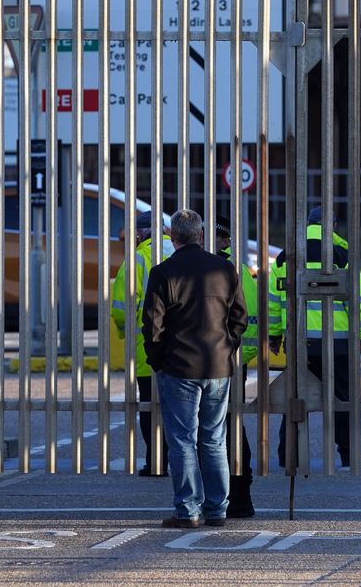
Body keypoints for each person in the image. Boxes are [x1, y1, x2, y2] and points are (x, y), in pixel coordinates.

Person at [142, 209, 248, 528]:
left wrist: (157, 359)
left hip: (178, 366)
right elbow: (239, 318)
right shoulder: (225, 269)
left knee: (183, 439)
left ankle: (188, 509)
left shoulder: (163, 272)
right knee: (214, 438)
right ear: (201, 235)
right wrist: (227, 346)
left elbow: (152, 324)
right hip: (217, 364)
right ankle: (217, 509)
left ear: (173, 238)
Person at [268, 206, 361, 468]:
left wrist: (274, 335)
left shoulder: (286, 257)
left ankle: (287, 453)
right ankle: (349, 454)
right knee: (342, 400)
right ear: (333, 226)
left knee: (296, 397)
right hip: (336, 342)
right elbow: (358, 301)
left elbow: (274, 301)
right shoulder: (341, 255)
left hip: (299, 340)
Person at [111, 210, 173, 476]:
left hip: (147, 345)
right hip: (185, 347)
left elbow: (121, 308)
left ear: (140, 233)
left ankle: (156, 462)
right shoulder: (180, 251)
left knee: (150, 405)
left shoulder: (136, 259)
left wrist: (126, 332)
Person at [213, 220, 257, 518]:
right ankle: (229, 497)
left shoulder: (235, 270)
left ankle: (235, 495)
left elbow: (249, 320)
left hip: (228, 361)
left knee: (224, 430)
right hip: (228, 358)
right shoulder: (237, 271)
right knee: (226, 429)